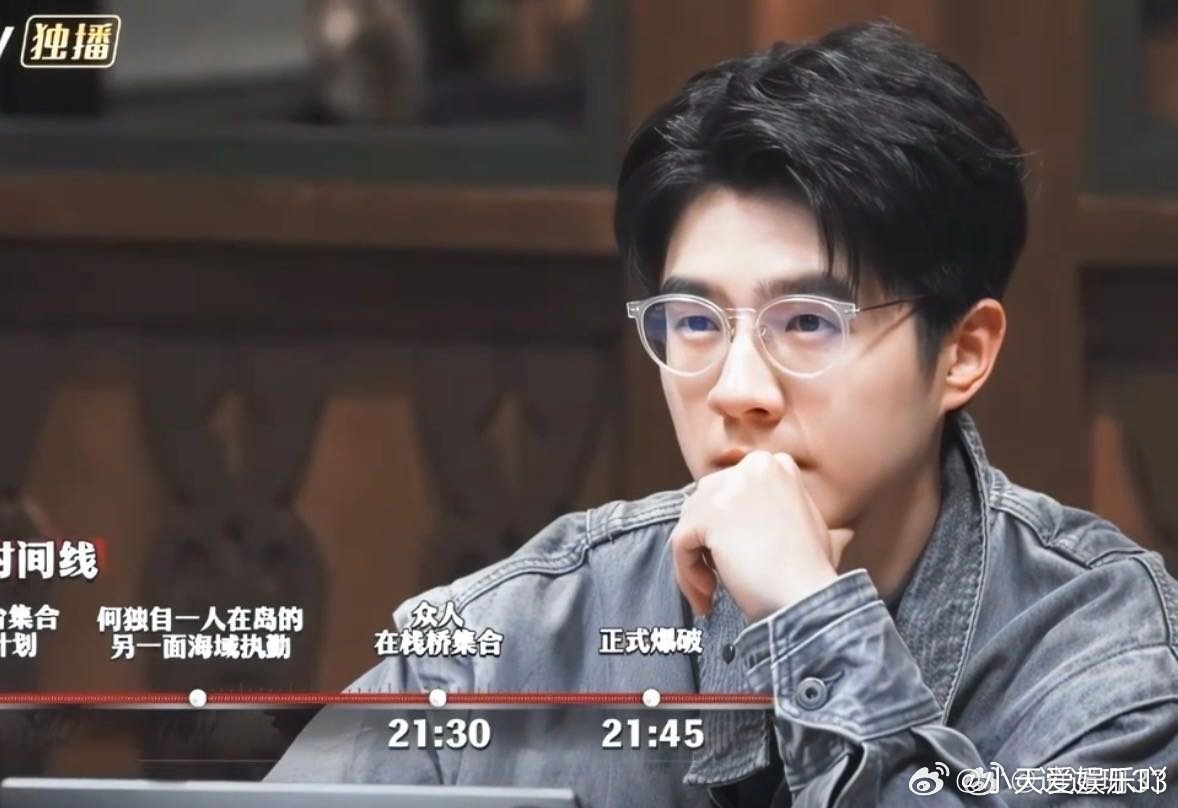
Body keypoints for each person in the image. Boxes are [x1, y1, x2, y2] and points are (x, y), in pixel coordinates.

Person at [267, 20, 1178, 806]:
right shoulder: (509, 640)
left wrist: (811, 615)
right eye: (696, 322)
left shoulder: (1107, 655)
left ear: (963, 352)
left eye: (809, 322)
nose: (739, 388)